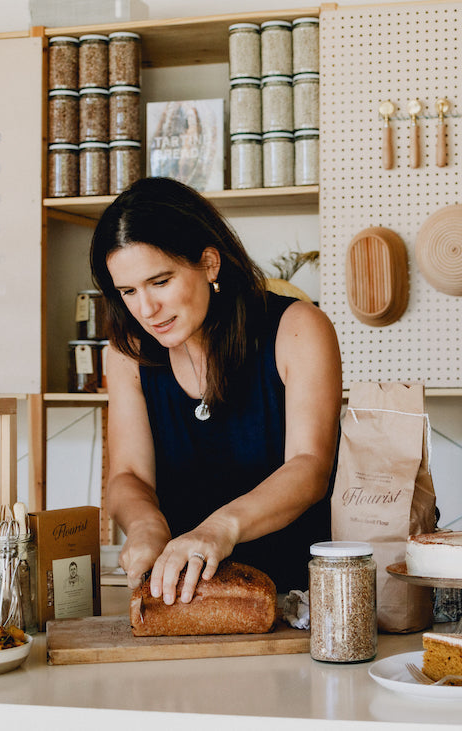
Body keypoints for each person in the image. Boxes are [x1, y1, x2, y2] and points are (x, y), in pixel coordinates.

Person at [90, 177, 342, 605]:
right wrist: (146, 525)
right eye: (129, 292)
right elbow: (128, 475)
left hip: (299, 600)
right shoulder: (129, 352)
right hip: (185, 599)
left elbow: (310, 467)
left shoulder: (298, 328)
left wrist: (218, 529)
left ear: (209, 263)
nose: (146, 310)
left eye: (160, 281)